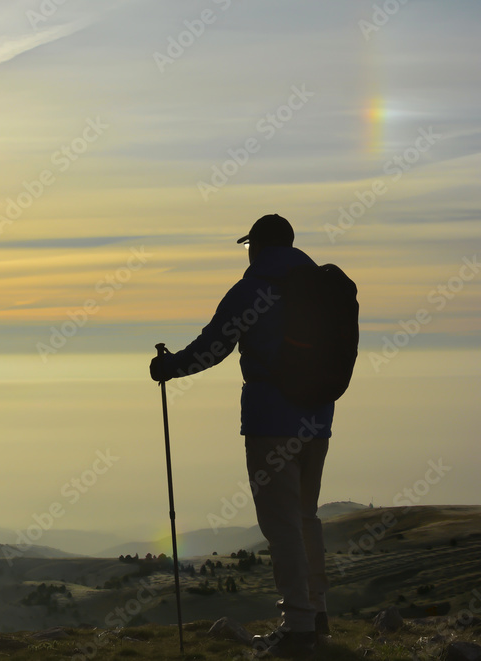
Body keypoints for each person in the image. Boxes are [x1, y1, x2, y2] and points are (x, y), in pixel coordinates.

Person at [150, 214, 331, 658]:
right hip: (318, 418)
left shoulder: (252, 289)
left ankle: (298, 628)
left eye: (249, 245)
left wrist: (170, 368)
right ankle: (317, 612)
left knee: (281, 525)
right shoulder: (322, 288)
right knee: (306, 517)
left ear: (257, 246)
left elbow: (215, 346)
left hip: (271, 421)